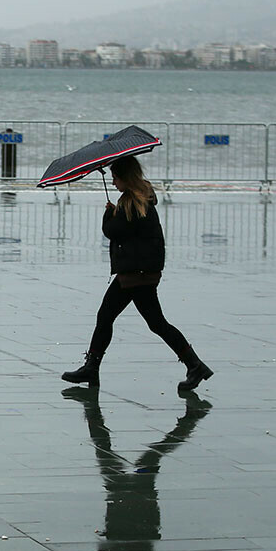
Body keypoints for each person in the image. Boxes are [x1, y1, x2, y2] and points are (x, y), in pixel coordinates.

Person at [62, 156, 213, 391]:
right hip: (141, 271)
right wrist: (116, 212)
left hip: (135, 273)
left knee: (113, 316)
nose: (113, 183)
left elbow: (114, 232)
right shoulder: (141, 197)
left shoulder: (131, 202)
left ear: (125, 178)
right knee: (146, 321)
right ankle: (195, 365)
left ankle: (92, 367)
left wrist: (108, 215)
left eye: (115, 178)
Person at [61, 385, 211, 551]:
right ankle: (190, 421)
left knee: (136, 456)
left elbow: (136, 541)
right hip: (133, 504)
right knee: (139, 457)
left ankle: (190, 421)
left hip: (131, 504)